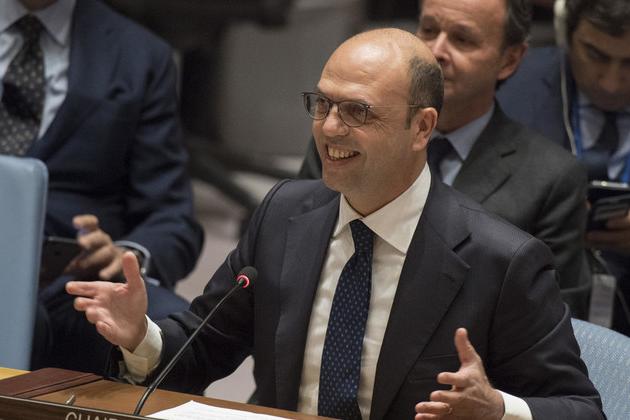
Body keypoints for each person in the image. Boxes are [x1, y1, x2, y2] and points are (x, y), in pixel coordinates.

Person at [67, 28, 602, 419]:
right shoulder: (283, 216)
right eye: (322, 104)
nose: (328, 128)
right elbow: (202, 349)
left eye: (358, 112)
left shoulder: (501, 260)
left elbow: (580, 408)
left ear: (422, 128)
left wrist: (498, 409)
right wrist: (140, 335)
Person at [299, 0, 591, 318]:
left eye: (462, 39)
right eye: (428, 30)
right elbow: (296, 253)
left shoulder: (551, 178)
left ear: (509, 59)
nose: (436, 50)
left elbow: (557, 324)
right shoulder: (344, 137)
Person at [0, 0, 204, 372]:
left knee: (173, 332)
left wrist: (124, 256)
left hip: (70, 280)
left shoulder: (139, 56)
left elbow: (172, 218)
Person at [497, 0, 630, 334]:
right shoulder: (509, 88)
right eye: (596, 55)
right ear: (565, 35)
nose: (611, 82)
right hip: (531, 317)